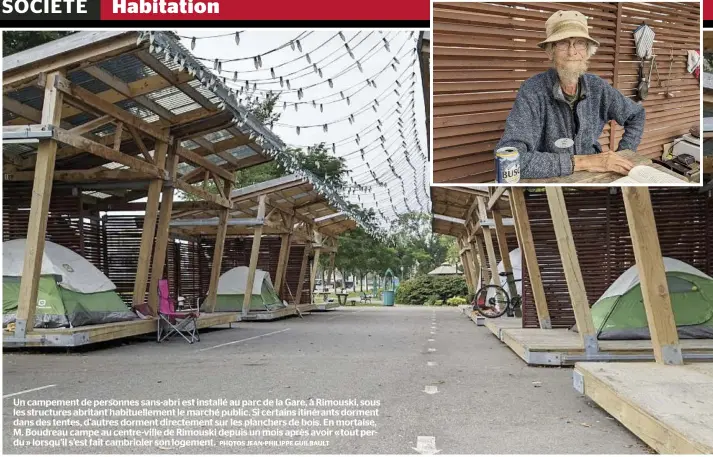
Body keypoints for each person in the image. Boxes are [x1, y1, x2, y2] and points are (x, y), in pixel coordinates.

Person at [495, 10, 646, 179]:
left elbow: (636, 115)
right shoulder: (532, 91)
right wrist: (583, 162)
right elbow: (509, 162)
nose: (572, 52)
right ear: (550, 51)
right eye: (563, 43)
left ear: (588, 51)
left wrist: (624, 155)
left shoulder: (598, 87)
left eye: (579, 43)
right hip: (551, 180)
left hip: (595, 180)